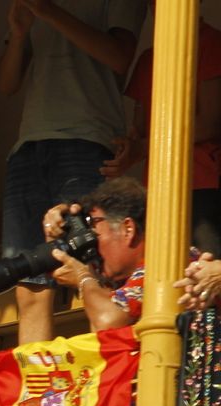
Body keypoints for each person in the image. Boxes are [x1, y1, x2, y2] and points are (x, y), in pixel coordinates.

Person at [0, 0, 145, 345]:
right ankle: (35, 375)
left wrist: (47, 11)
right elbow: (5, 84)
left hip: (87, 139)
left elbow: (119, 57)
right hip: (29, 143)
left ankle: (106, 367)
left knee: (94, 267)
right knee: (30, 282)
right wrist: (18, 35)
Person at [103, 1, 221, 253]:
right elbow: (139, 130)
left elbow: (209, 123)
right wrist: (126, 153)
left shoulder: (211, 41)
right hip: (157, 188)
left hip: (203, 183)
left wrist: (142, 147)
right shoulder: (149, 58)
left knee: (204, 270)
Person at [45, 177, 148, 330]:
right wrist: (56, 233)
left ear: (128, 229)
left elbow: (107, 321)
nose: (91, 240)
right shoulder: (117, 280)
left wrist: (83, 278)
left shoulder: (158, 267)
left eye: (93, 225)